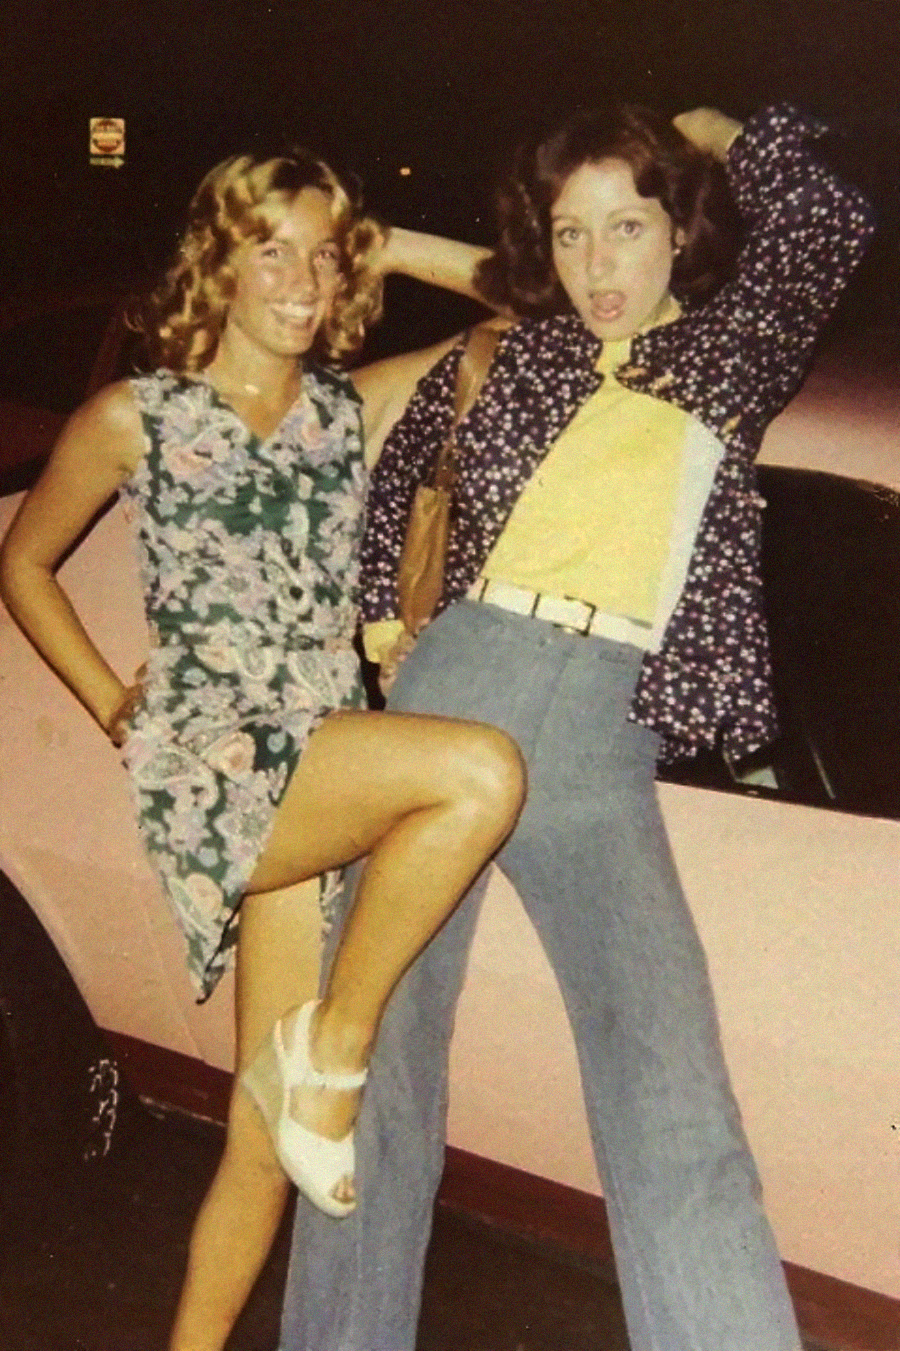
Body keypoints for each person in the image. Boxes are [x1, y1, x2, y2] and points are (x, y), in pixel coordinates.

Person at [281, 104, 875, 1351]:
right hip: (461, 679)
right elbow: (410, 478)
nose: (600, 265)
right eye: (572, 235)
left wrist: (726, 129)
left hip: (604, 724)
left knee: (676, 1106)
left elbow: (829, 223)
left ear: (678, 232)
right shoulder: (527, 351)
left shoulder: (728, 353)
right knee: (371, 1083)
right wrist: (392, 644)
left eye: (628, 227)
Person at [0, 147, 526, 1351]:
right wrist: (110, 702)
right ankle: (331, 1047)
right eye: (268, 248)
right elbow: (21, 564)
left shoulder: (348, 407)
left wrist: (386, 242)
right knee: (479, 772)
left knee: (260, 1137)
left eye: (319, 251)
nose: (298, 277)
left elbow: (526, 308)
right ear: (218, 263)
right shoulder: (141, 414)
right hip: (221, 770)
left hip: (318, 750)